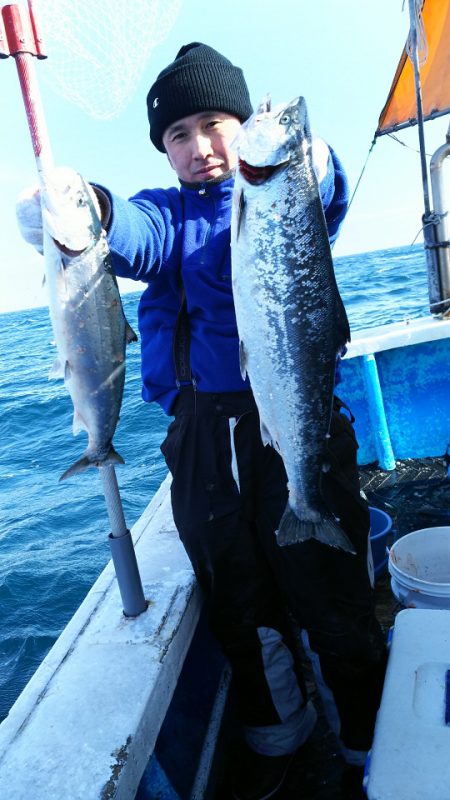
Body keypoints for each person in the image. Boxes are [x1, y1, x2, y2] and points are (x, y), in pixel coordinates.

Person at [16, 42, 387, 800]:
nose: (200, 146)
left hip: (299, 417)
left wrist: (311, 165)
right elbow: (129, 234)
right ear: (165, 150)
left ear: (244, 126)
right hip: (201, 443)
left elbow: (327, 199)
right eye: (178, 134)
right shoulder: (167, 215)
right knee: (237, 597)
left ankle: (368, 742)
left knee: (331, 594)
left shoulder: (277, 194)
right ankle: (279, 737)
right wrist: (79, 209)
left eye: (215, 123)